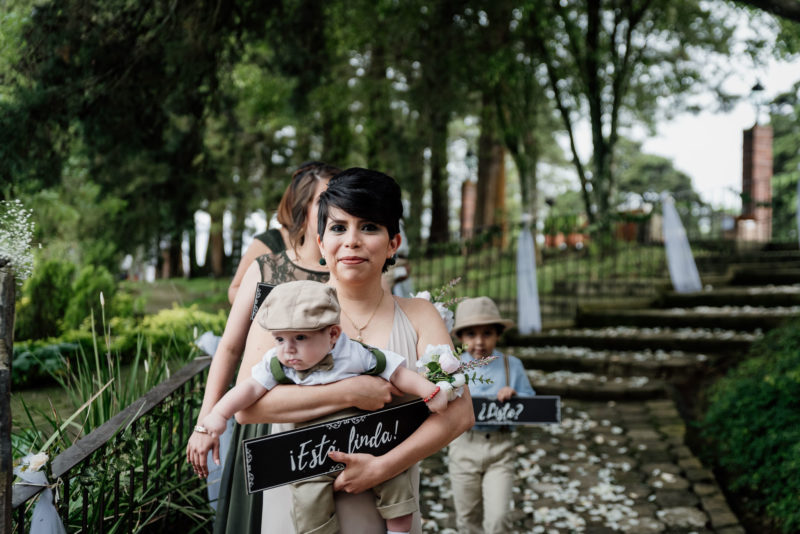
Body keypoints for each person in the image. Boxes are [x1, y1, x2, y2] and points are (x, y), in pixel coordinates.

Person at [233, 167, 475, 533]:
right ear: (321, 238)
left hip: (389, 510)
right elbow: (247, 408)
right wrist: (349, 392)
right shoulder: (282, 308)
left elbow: (460, 413)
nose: (352, 240)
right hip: (297, 507)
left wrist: (383, 467)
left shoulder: (420, 316)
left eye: (369, 227)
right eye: (338, 227)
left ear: (393, 243)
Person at [197, 280, 448, 534]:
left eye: (301, 337)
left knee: (395, 482)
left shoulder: (351, 353)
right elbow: (250, 388)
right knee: (308, 501)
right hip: (311, 449)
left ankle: (398, 531)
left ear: (332, 335)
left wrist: (428, 390)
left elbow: (395, 372)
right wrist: (219, 413)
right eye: (280, 339)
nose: (288, 349)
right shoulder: (278, 362)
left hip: (363, 439)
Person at [186, 161, 340, 533]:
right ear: (303, 206)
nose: (337, 206)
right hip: (266, 419)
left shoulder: (349, 270)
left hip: (331, 420)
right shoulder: (268, 268)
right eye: (326, 198)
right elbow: (229, 348)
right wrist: (206, 425)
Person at [447, 296, 536, 534]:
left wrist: (515, 395)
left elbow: (532, 405)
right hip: (464, 447)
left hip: (500, 449)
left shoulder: (512, 366)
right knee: (467, 519)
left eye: (487, 333)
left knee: (498, 519)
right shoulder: (452, 368)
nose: (479, 342)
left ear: (498, 335)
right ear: (460, 338)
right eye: (471, 335)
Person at [227, 162, 341, 304]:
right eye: (323, 201)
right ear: (302, 207)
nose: (334, 209)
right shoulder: (270, 247)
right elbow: (236, 289)